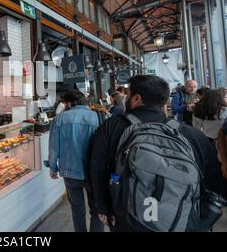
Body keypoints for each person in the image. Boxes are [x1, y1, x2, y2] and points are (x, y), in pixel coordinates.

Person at [90, 75, 221, 232]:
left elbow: (96, 169)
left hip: (127, 219)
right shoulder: (192, 135)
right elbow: (214, 181)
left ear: (136, 98)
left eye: (129, 94)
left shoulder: (111, 127)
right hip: (181, 220)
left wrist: (104, 208)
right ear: (164, 101)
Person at [48, 91, 104, 232]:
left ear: (68, 103)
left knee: (77, 210)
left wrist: (53, 167)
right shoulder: (97, 117)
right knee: (96, 210)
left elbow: (54, 147)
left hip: (69, 172)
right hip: (93, 172)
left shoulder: (59, 119)